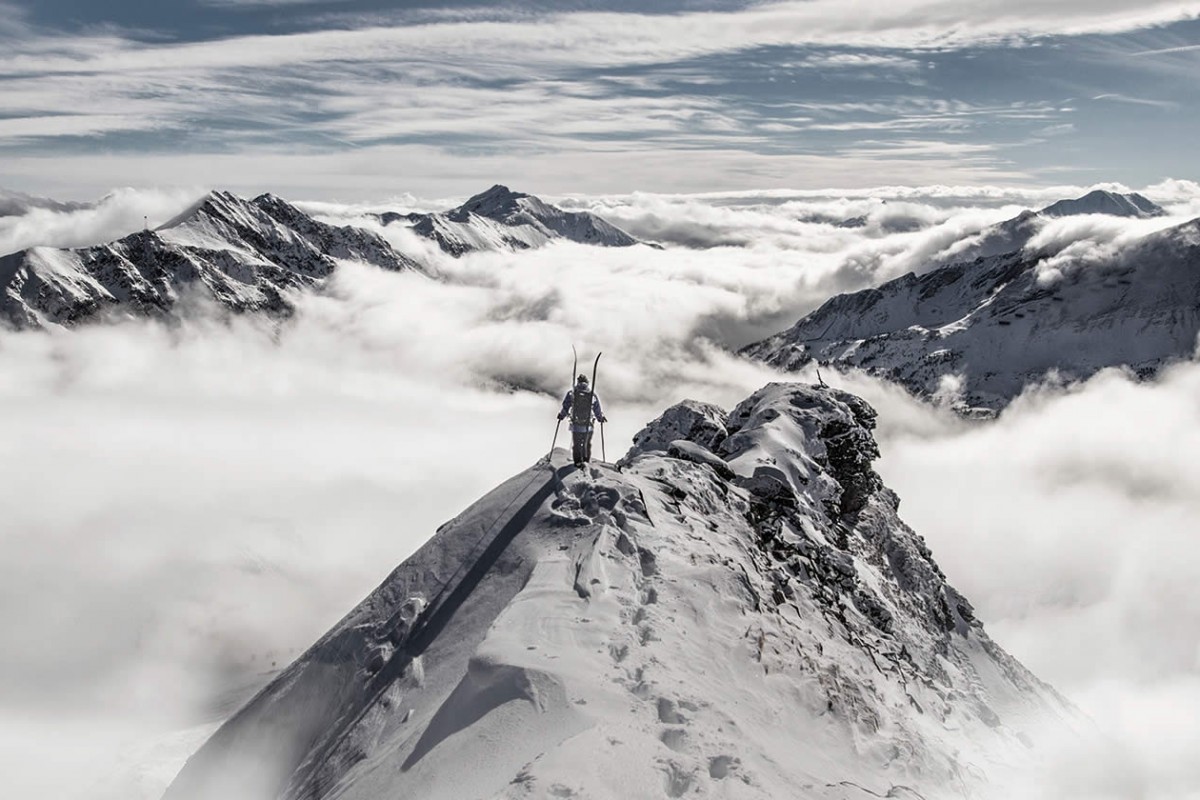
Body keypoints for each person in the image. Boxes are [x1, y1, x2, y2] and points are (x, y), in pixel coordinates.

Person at [558, 374, 606, 467]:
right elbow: (597, 408)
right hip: (588, 425)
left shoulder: (572, 393)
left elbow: (566, 407)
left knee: (577, 444)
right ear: (587, 383)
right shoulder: (592, 394)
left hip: (576, 425)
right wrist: (600, 418)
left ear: (578, 382)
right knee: (586, 444)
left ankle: (577, 462)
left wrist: (561, 416)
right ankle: (586, 461)